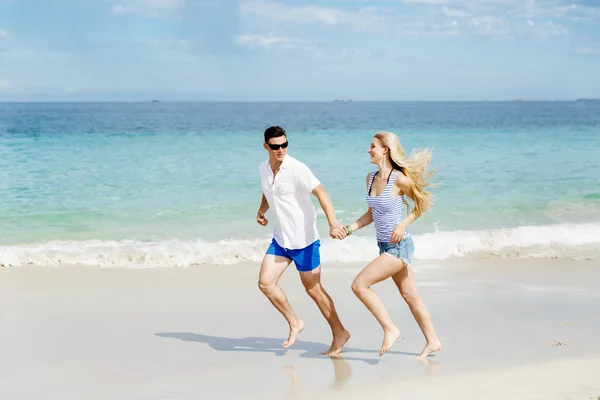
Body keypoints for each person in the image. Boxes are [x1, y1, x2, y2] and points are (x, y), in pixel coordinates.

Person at [344, 131, 442, 359]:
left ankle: (390, 329)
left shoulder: (399, 179)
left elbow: (422, 204)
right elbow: (371, 214)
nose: (369, 150)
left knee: (360, 285)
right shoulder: (370, 178)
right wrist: (349, 229)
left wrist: (402, 224)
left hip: (399, 246)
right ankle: (433, 341)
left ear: (385, 149)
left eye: (373, 146)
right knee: (410, 295)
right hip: (384, 246)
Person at [257, 126, 351, 356]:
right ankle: (295, 322)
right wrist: (261, 211)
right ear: (266, 147)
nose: (281, 150)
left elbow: (322, 193)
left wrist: (332, 222)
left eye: (284, 145)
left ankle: (340, 332)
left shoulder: (297, 168)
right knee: (265, 283)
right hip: (281, 239)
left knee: (313, 289)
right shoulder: (263, 168)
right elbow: (269, 191)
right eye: (276, 146)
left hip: (305, 240)